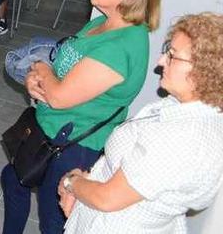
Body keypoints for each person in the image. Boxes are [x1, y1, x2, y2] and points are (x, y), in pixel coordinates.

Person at [2, 0, 164, 234]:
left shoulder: (119, 47)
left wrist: (42, 68)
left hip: (74, 145)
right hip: (51, 129)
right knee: (13, 179)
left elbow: (59, 96)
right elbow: (63, 68)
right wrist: (35, 77)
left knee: (55, 219)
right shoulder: (103, 22)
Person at [60, 13, 223, 234]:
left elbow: (107, 198)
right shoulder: (191, 112)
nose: (161, 61)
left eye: (172, 55)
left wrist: (72, 182)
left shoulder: (182, 138)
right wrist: (88, 181)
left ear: (204, 70)